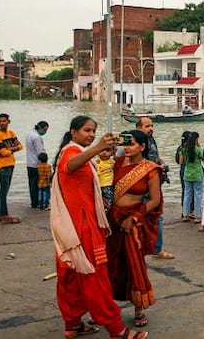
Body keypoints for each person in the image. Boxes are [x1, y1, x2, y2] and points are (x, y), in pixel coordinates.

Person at [50, 115, 147, 339]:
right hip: (81, 227)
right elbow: (69, 166)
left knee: (72, 277)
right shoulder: (70, 152)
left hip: (74, 224)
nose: (91, 134)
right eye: (86, 130)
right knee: (96, 279)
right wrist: (97, 148)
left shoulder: (79, 153)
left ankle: (72, 324)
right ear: (73, 132)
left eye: (94, 130)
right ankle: (116, 329)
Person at [107, 129, 162, 328]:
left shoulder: (150, 169)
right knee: (110, 264)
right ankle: (104, 309)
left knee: (133, 263)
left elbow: (155, 201)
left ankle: (138, 308)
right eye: (125, 144)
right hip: (113, 220)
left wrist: (135, 217)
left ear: (142, 146)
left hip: (133, 221)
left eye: (131, 144)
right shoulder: (116, 164)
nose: (127, 148)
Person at [135, 116, 173, 260]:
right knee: (138, 217)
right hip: (140, 186)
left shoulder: (151, 140)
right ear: (138, 128)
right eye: (147, 126)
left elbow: (155, 157)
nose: (151, 128)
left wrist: (160, 163)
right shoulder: (134, 143)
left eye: (151, 126)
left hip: (154, 185)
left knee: (157, 217)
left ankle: (156, 249)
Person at [0, 113, 23, 224]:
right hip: (3, 165)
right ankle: (5, 215)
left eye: (4, 121)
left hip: (11, 163)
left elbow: (20, 146)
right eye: (0, 121)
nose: (2, 123)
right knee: (4, 191)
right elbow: (3, 152)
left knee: (3, 190)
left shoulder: (11, 133)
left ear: (8, 121)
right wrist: (12, 149)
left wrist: (10, 149)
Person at [180, 132, 204, 224]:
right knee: (197, 195)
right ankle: (197, 216)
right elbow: (203, 158)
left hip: (187, 174)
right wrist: (199, 146)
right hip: (197, 174)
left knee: (187, 194)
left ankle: (185, 215)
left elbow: (181, 162)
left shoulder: (184, 149)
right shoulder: (197, 150)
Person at [25, 121, 49, 209]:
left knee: (31, 183)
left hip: (29, 163)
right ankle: (38, 202)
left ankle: (33, 201)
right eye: (45, 130)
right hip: (36, 163)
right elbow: (40, 151)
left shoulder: (29, 134)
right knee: (37, 184)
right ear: (41, 128)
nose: (45, 132)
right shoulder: (37, 137)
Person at [175, 130, 194, 218]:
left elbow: (177, 160)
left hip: (182, 170)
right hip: (191, 170)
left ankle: (184, 210)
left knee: (185, 190)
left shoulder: (180, 148)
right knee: (193, 191)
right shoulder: (191, 148)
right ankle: (191, 210)